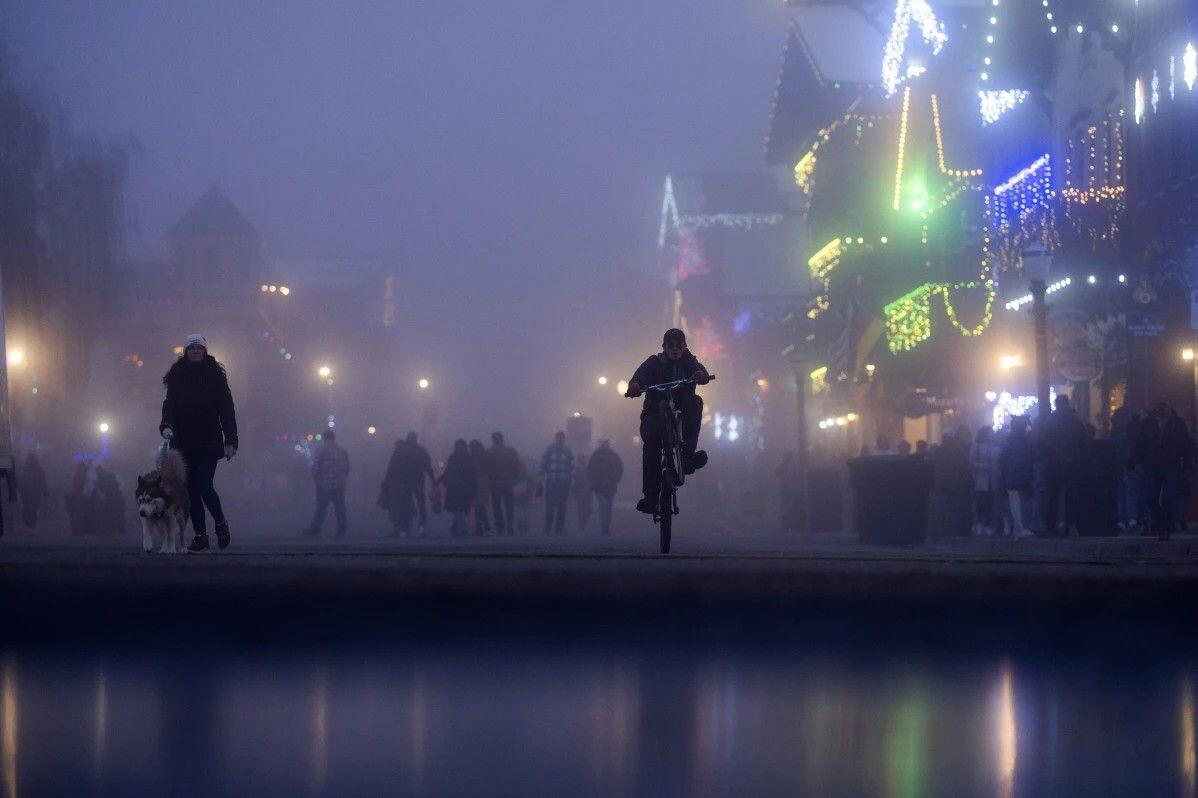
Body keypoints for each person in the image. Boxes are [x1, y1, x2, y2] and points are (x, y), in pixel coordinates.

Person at [160, 334, 237, 552]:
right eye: (191, 348)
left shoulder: (215, 376)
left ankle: (220, 523)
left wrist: (231, 440)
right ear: (186, 351)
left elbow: (227, 410)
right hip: (183, 442)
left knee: (204, 484)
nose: (195, 351)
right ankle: (201, 536)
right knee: (191, 490)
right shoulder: (177, 376)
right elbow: (170, 405)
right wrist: (166, 424)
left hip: (209, 441)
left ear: (204, 351)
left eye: (199, 348)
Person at [625, 328, 711, 514]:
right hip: (654, 414)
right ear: (663, 347)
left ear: (684, 347)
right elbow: (639, 376)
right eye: (670, 346)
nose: (675, 349)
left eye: (679, 346)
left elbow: (699, 370)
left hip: (682, 411)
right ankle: (650, 498)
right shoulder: (654, 363)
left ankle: (688, 458)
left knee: (695, 402)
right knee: (651, 447)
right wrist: (635, 386)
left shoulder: (689, 361)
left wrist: (700, 375)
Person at [1132, 399, 1195, 539]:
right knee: (1150, 497)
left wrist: (1188, 465)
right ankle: (1162, 524)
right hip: (1152, 465)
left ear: (1169, 407)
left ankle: (1164, 527)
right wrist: (1137, 462)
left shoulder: (1178, 424)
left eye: (1164, 406)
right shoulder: (1148, 423)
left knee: (1168, 498)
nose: (1162, 409)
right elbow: (1140, 443)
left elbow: (1186, 445)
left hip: (1171, 465)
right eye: (1159, 406)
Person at [1039, 393, 1084, 537]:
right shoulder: (1076, 420)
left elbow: (1045, 443)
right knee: (1072, 497)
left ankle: (1051, 526)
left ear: (1056, 404)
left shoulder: (1050, 421)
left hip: (1055, 465)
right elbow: (1083, 441)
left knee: (1053, 497)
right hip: (1073, 464)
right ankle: (1070, 525)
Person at [305, 430, 350, 538]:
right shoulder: (342, 450)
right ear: (334, 438)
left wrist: (315, 478)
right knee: (340, 507)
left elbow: (316, 467)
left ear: (325, 438)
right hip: (339, 483)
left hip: (324, 483)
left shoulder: (320, 450)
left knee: (321, 508)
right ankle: (342, 529)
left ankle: (315, 529)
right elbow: (347, 467)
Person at [1000, 416, 1035, 537]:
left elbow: (1003, 459)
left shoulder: (1008, 441)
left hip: (1012, 476)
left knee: (1013, 501)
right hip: (1021, 475)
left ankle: (1014, 526)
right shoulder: (1026, 440)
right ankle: (1020, 527)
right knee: (1022, 502)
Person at [436, 440, 476, 537]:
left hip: (455, 487)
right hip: (466, 487)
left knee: (458, 508)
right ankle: (457, 527)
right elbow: (472, 473)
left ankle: (462, 528)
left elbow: (449, 471)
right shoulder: (468, 457)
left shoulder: (454, 457)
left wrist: (439, 480)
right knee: (462, 508)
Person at [486, 432, 523, 536]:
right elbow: (517, 465)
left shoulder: (489, 452)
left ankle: (500, 527)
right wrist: (516, 477)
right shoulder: (510, 451)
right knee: (509, 505)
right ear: (502, 439)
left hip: (495, 482)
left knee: (497, 505)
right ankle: (510, 524)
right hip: (508, 481)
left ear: (493, 439)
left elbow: (486, 468)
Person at [539, 431, 574, 535]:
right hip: (563, 482)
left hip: (551, 481)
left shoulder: (549, 449)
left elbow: (542, 465)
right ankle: (559, 527)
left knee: (550, 504)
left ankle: (548, 526)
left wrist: (541, 477)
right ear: (564, 439)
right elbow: (572, 468)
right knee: (561, 505)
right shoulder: (568, 450)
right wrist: (571, 481)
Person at [586, 440, 623, 535]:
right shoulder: (613, 455)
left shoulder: (596, 455)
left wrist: (593, 481)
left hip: (601, 485)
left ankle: (604, 526)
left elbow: (589, 470)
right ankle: (605, 526)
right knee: (607, 507)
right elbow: (620, 468)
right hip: (609, 485)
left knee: (603, 507)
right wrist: (616, 480)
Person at [969, 427, 1000, 535]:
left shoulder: (995, 447)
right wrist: (985, 466)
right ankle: (979, 524)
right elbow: (971, 463)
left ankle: (987, 524)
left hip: (992, 480)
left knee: (989, 503)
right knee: (980, 503)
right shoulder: (976, 446)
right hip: (980, 479)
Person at [467, 439, 492, 535]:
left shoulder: (472, 457)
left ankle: (480, 527)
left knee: (478, 506)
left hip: (476, 482)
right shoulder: (485, 456)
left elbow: (471, 470)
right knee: (482, 506)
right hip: (485, 481)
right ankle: (485, 525)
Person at [18, 452, 48, 530]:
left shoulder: (38, 469)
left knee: (33, 508)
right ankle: (29, 524)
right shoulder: (24, 468)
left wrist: (44, 490)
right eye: (30, 458)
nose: (31, 460)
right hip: (27, 492)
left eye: (32, 458)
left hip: (34, 492)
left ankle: (30, 525)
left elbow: (43, 480)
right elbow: (20, 479)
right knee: (28, 508)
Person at [572, 452, 593, 531]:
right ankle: (582, 524)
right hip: (580, 491)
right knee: (581, 508)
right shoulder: (577, 469)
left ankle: (583, 523)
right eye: (580, 460)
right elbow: (575, 480)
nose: (582, 461)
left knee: (585, 508)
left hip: (586, 491)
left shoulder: (589, 469)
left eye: (582, 459)